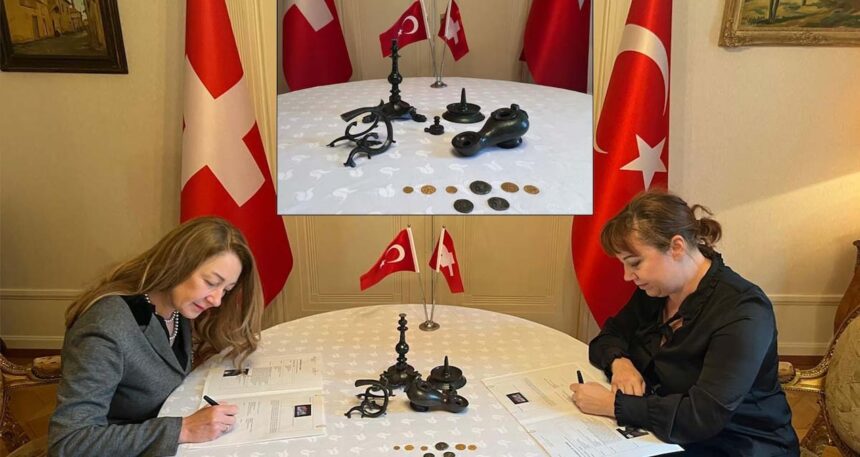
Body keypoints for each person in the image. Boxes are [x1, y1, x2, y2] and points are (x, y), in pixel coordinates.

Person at [569, 190, 799, 456]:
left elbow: (701, 417)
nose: (627, 276)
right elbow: (609, 337)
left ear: (676, 247)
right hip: (668, 434)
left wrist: (612, 405)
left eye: (635, 263)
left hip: (739, 444)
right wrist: (621, 364)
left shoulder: (744, 311)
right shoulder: (657, 290)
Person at [49, 217, 264, 457]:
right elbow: (69, 443)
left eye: (226, 290)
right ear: (178, 263)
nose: (217, 300)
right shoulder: (105, 329)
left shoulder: (173, 305)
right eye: (211, 282)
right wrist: (182, 429)